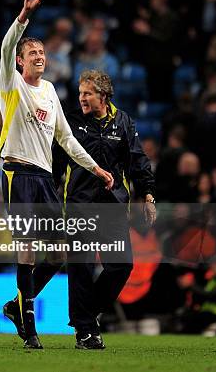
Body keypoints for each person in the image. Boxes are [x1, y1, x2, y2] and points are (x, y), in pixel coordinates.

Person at [0, 0, 113, 349]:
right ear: (20, 61)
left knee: (63, 248)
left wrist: (96, 168)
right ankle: (29, 327)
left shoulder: (49, 92)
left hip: (45, 178)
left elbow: (66, 138)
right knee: (27, 248)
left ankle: (17, 307)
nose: (39, 56)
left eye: (42, 51)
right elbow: (3, 47)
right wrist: (25, 15)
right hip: (19, 174)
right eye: (32, 52)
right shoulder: (11, 85)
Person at [50, 69, 156, 349]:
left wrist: (147, 193)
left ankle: (86, 317)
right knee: (81, 267)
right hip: (79, 205)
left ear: (104, 95)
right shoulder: (71, 121)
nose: (81, 98)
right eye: (80, 93)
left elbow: (137, 160)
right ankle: (85, 331)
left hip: (113, 206)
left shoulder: (123, 122)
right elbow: (57, 163)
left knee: (121, 265)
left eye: (87, 93)